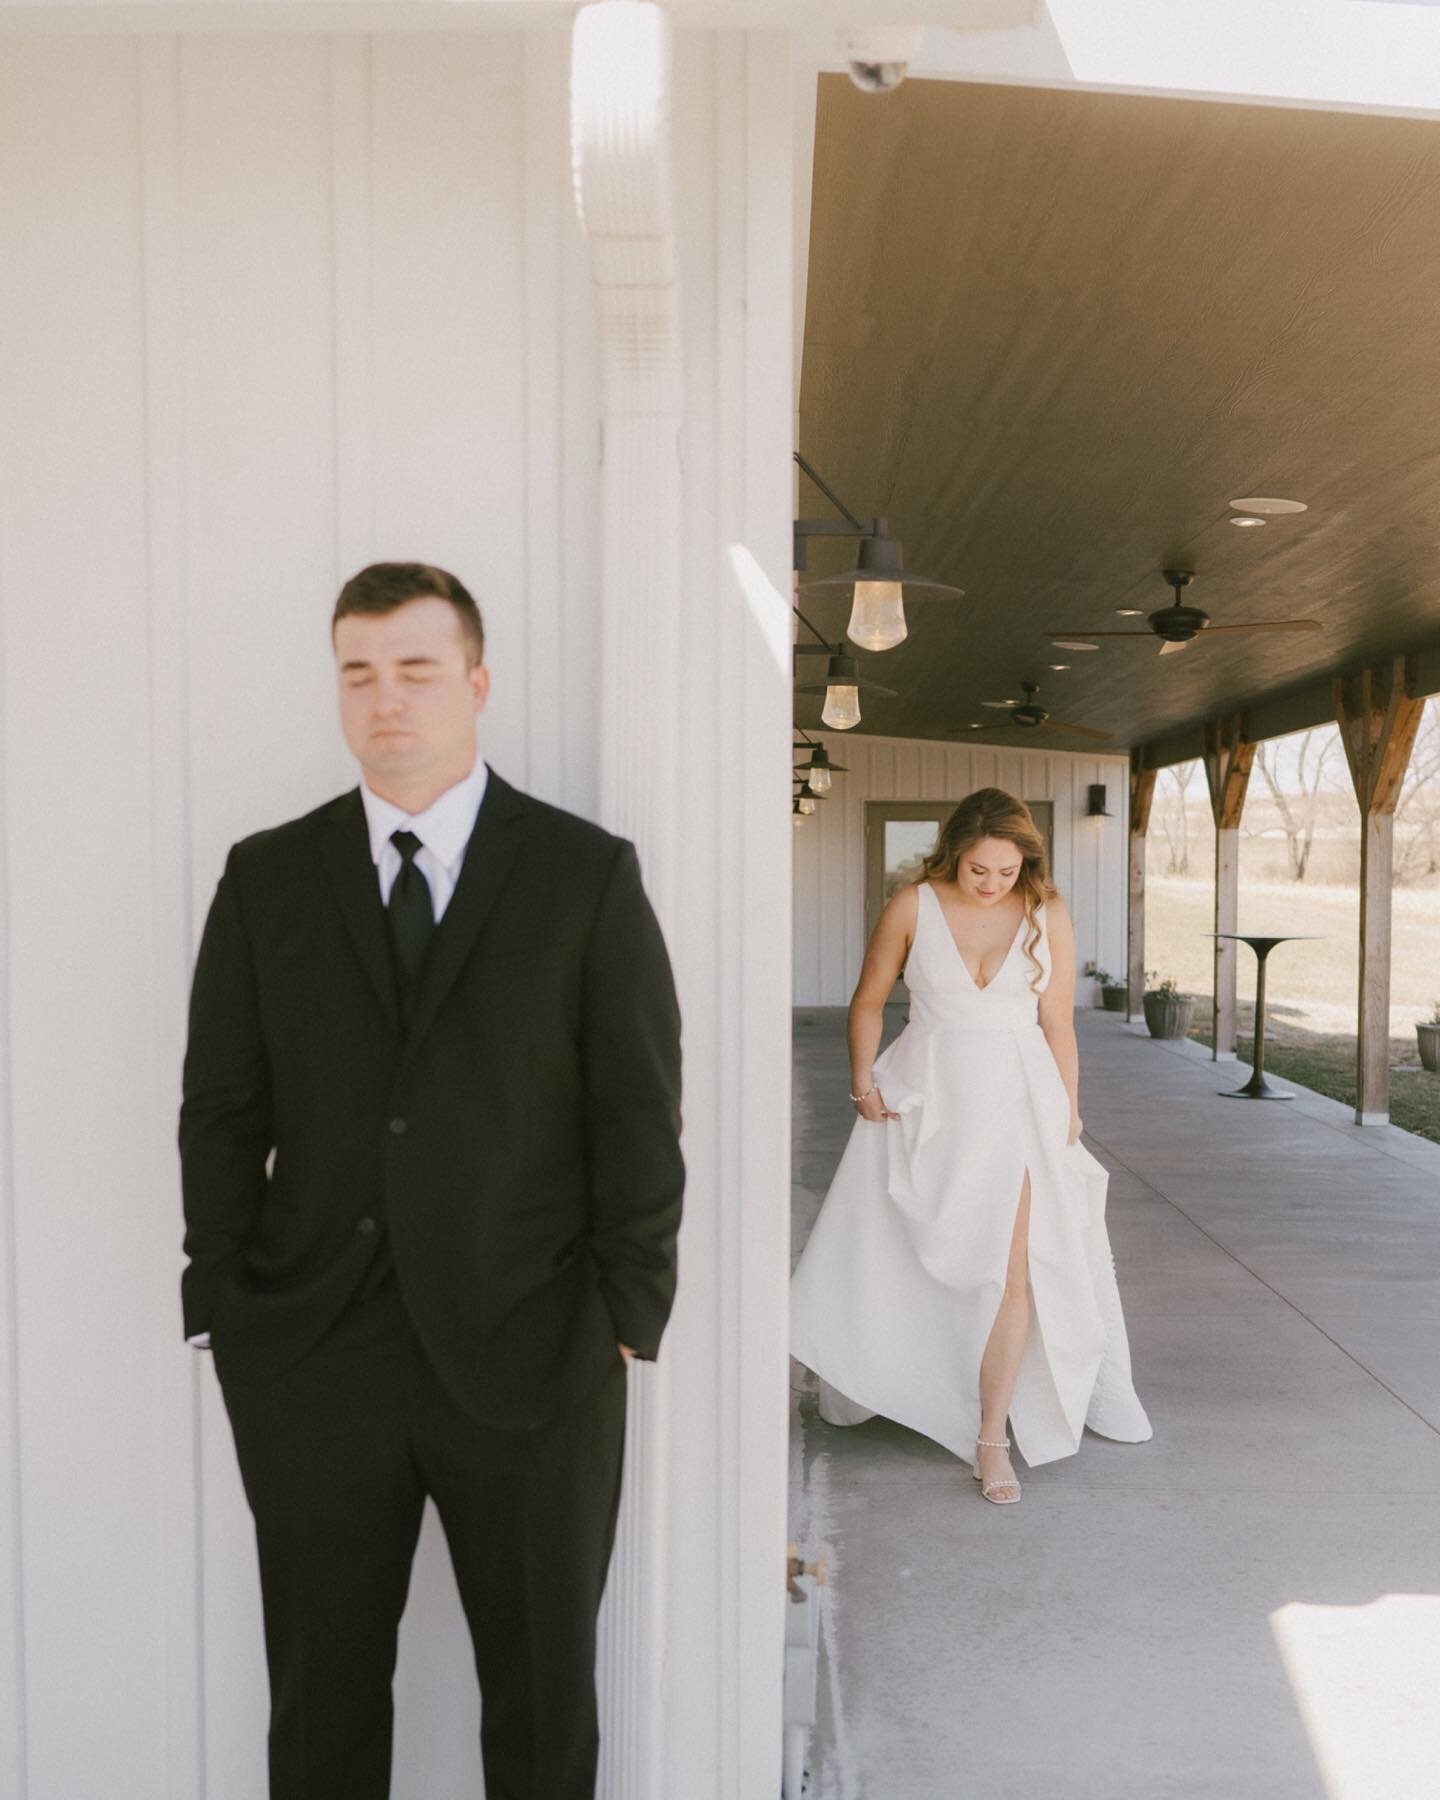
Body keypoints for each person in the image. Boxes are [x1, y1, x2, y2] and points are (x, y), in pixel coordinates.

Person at [179, 562, 684, 1799]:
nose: (386, 699)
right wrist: (224, 1296)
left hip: (536, 1350)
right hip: (313, 1356)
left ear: (476, 682)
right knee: (321, 1703)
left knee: (543, 1699)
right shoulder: (267, 879)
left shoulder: (583, 874)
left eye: (415, 669)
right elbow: (221, 1105)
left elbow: (637, 1110)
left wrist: (625, 1316)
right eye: (360, 673)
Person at [790, 787, 1149, 1505]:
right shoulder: (912, 905)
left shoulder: (1046, 913)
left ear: (1027, 864)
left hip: (1019, 1097)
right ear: (955, 854)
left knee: (1012, 1270)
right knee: (901, 1252)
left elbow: (1059, 1027)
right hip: (925, 1095)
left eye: (1007, 872)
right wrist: (862, 1079)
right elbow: (867, 1001)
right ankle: (894, 1381)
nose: (991, 885)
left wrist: (1069, 1114)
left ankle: (990, 1438)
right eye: (979, 870)